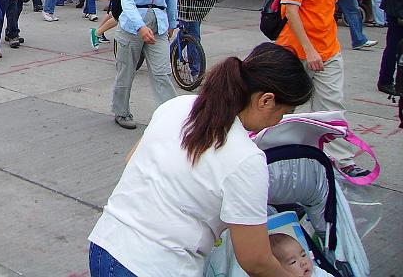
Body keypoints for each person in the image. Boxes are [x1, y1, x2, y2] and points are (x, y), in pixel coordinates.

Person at [88, 43, 313, 277]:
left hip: (106, 246)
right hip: (155, 267)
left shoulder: (177, 105)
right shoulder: (247, 159)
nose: (279, 122)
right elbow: (255, 260)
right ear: (266, 101)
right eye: (284, 113)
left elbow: (131, 159)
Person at [275, 0, 370, 178]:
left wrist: (323, 48)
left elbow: (328, 10)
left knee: (331, 108)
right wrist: (310, 49)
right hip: (295, 52)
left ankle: (341, 159)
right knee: (284, 107)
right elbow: (290, 12)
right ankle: (274, 153)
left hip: (328, 51)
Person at [112, 0, 178, 129]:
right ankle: (121, 112)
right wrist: (140, 26)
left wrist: (172, 23)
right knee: (126, 71)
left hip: (158, 25)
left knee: (162, 72)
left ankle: (170, 116)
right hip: (132, 27)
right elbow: (127, 2)